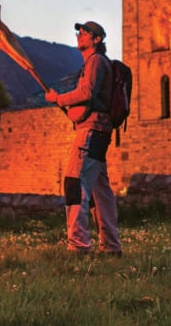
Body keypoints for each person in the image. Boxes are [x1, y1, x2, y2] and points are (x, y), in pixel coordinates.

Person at [45, 21, 122, 255]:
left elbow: (87, 92)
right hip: (98, 130)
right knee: (100, 191)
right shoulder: (94, 62)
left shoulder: (97, 61)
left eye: (85, 32)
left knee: (74, 182)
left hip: (92, 130)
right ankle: (110, 246)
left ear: (97, 39)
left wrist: (58, 99)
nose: (79, 35)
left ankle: (78, 245)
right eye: (78, 32)